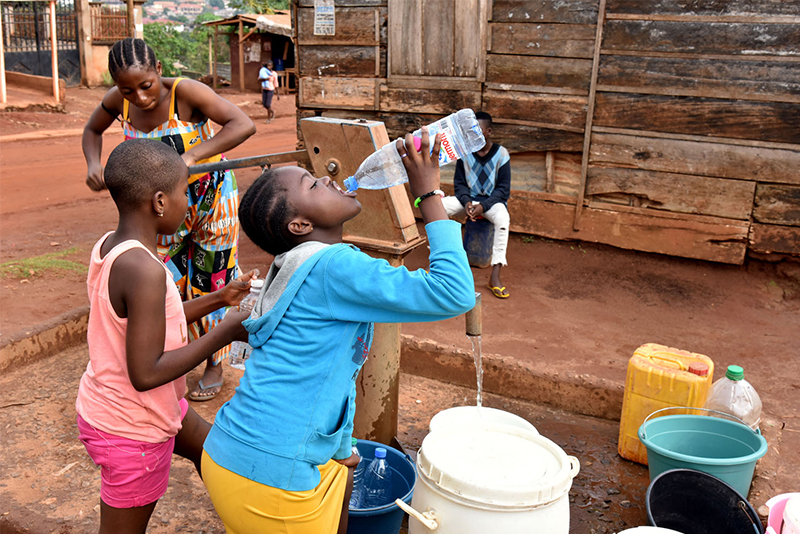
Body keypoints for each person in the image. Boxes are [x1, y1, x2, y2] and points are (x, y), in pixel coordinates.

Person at [200, 129, 475, 533]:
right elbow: (453, 293)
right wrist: (428, 194)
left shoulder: (293, 264)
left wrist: (342, 448)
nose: (328, 178)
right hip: (273, 476)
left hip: (238, 451)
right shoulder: (334, 267)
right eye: (313, 184)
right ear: (300, 224)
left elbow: (328, 374)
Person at [75, 139, 256, 534]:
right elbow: (146, 372)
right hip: (130, 427)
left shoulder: (114, 245)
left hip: (140, 404)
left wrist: (219, 299)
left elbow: (154, 318)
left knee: (215, 453)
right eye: (183, 194)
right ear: (159, 201)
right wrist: (224, 332)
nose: (188, 205)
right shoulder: (145, 270)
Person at [82, 38, 257, 402]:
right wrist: (93, 164)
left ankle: (213, 362)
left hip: (211, 201)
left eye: (145, 86)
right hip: (156, 212)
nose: (140, 97)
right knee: (165, 279)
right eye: (127, 89)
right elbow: (92, 130)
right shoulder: (120, 102)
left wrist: (191, 158)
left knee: (211, 276)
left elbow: (242, 124)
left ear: (158, 70)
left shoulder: (185, 93)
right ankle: (160, 357)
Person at [441, 111, 511, 299]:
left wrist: (483, 206)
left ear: (488, 131)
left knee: (503, 220)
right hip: (468, 200)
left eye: (479, 130)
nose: (475, 135)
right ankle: (445, 261)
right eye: (472, 131)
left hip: (491, 203)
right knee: (439, 207)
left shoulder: (502, 154)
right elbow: (459, 184)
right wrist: (467, 203)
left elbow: (503, 190)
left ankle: (495, 276)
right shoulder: (465, 153)